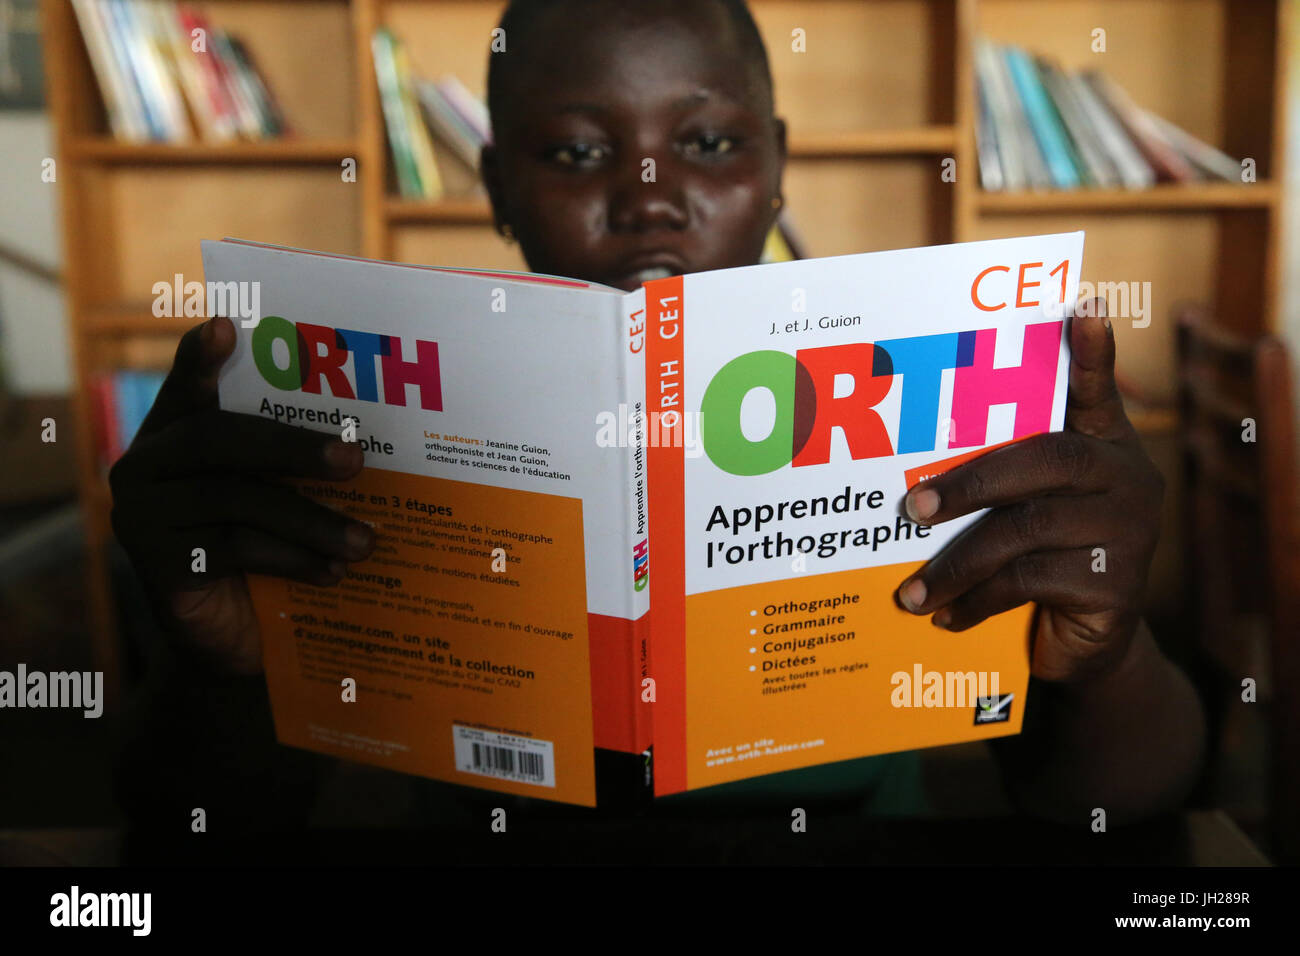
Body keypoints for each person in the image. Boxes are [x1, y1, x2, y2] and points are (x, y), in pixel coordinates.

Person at [110, 0, 1205, 838]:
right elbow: (190, 827)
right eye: (579, 153)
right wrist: (221, 663)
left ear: (776, 169)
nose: (648, 196)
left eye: (712, 145)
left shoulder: (965, 416)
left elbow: (1116, 814)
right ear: (495, 186)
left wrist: (1104, 656)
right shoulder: (358, 432)